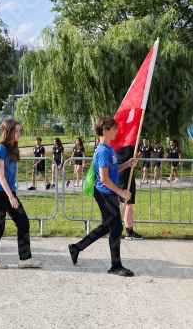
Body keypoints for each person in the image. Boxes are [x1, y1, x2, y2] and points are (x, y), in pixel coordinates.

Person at [68, 116, 137, 277]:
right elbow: (104, 178)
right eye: (113, 129)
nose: (116, 131)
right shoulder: (102, 151)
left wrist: (127, 164)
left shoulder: (108, 148)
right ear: (105, 131)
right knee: (116, 228)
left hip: (108, 193)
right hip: (106, 194)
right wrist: (121, 192)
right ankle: (116, 265)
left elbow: (112, 171)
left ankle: (77, 247)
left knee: (107, 226)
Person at [0, 119, 42, 269]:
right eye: (16, 130)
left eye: (19, 130)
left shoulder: (13, 148)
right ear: (8, 131)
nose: (19, 133)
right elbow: (0, 176)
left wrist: (12, 193)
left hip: (9, 192)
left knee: (23, 222)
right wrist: (11, 196)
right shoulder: (1, 149)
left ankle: (25, 259)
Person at [116, 146, 143, 240]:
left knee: (116, 202)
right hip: (126, 173)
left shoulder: (115, 141)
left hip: (116, 172)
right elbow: (135, 155)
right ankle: (129, 231)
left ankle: (115, 230)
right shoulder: (129, 143)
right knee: (128, 202)